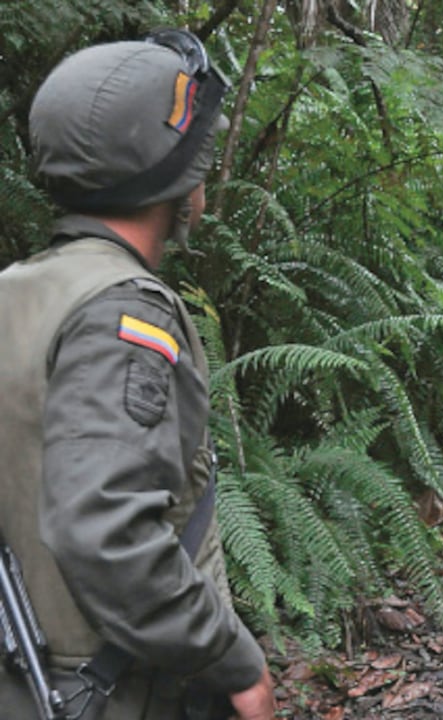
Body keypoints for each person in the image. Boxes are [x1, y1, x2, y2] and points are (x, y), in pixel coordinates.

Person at [0, 30, 275, 720]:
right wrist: (233, 662)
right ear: (175, 179)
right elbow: (104, 528)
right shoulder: (122, 312)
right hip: (102, 690)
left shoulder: (17, 289)